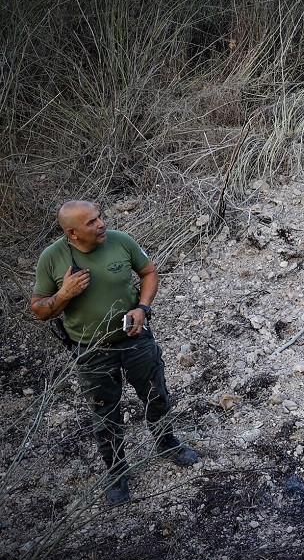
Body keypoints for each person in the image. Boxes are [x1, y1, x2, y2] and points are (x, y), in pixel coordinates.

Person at [30, 200, 198, 505]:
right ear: (73, 233)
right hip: (91, 349)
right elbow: (39, 310)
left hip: (136, 339)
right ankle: (118, 470)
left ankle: (166, 442)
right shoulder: (52, 258)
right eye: (92, 223)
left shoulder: (121, 241)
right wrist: (65, 293)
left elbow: (148, 272)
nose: (101, 224)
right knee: (105, 412)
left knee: (156, 393)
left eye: (100, 217)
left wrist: (142, 309)